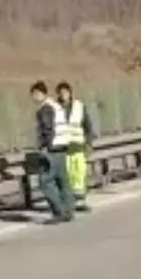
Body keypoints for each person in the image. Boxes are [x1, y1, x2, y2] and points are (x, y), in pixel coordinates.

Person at [30, 81, 76, 224]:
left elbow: (48, 129)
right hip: (62, 148)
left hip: (52, 150)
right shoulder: (57, 106)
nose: (34, 98)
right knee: (63, 181)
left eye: (34, 95)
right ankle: (68, 211)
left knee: (45, 182)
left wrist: (44, 146)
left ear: (39, 93)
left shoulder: (45, 109)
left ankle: (59, 211)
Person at [56, 81, 95, 211]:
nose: (63, 95)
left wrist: (89, 143)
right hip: (63, 148)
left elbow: (87, 125)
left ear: (70, 93)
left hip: (78, 147)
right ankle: (68, 201)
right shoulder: (55, 109)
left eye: (65, 92)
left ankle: (81, 201)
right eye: (61, 93)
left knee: (79, 174)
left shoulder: (79, 107)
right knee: (67, 176)